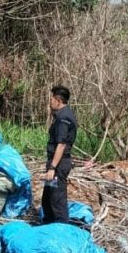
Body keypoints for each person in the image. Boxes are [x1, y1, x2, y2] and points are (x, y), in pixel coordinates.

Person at [41, 85, 78, 224]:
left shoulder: (64, 118)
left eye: (51, 99)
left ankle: (62, 233)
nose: (50, 102)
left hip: (58, 165)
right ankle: (48, 229)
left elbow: (61, 144)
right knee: (47, 199)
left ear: (58, 100)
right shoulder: (61, 116)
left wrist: (52, 168)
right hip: (55, 163)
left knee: (57, 201)